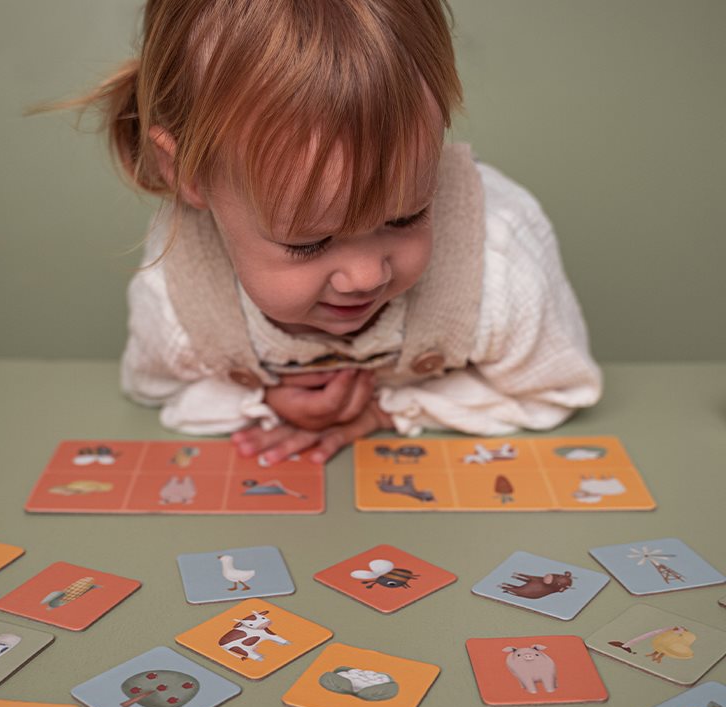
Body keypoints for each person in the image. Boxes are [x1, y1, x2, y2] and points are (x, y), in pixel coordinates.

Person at [75, 0, 601, 466]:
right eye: (308, 243)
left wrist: (384, 410)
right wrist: (260, 402)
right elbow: (152, 386)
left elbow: (558, 389)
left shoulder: (498, 258)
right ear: (188, 174)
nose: (366, 276)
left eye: (405, 217)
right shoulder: (177, 286)